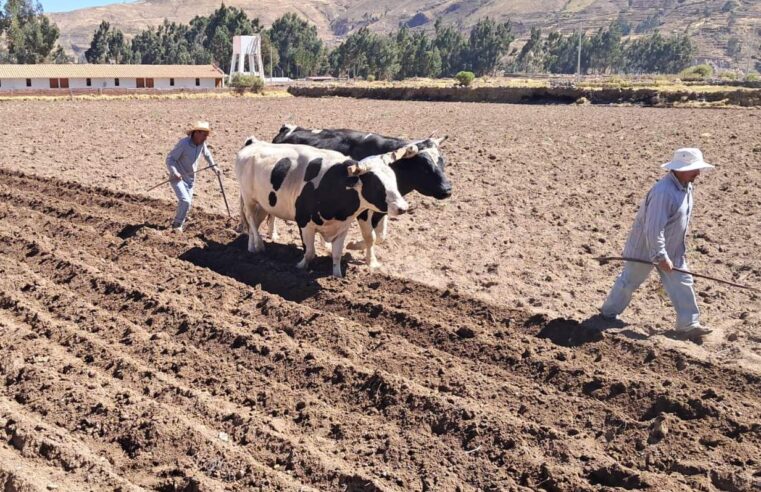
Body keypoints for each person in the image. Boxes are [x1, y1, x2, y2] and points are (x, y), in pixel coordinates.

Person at [600, 148, 715, 339]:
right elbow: (653, 229)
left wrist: (670, 253)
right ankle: (607, 315)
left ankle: (688, 324)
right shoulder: (664, 192)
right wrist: (660, 256)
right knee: (629, 281)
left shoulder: (686, 185)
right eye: (694, 169)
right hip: (646, 248)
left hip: (673, 248)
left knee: (683, 282)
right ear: (680, 169)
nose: (698, 173)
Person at [165, 121, 220, 232]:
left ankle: (179, 223)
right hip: (177, 179)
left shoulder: (202, 144)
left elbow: (207, 155)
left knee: (187, 205)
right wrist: (175, 172)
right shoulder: (184, 144)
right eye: (204, 134)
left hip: (190, 180)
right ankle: (177, 225)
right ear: (197, 133)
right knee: (185, 201)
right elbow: (170, 159)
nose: (206, 137)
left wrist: (214, 168)